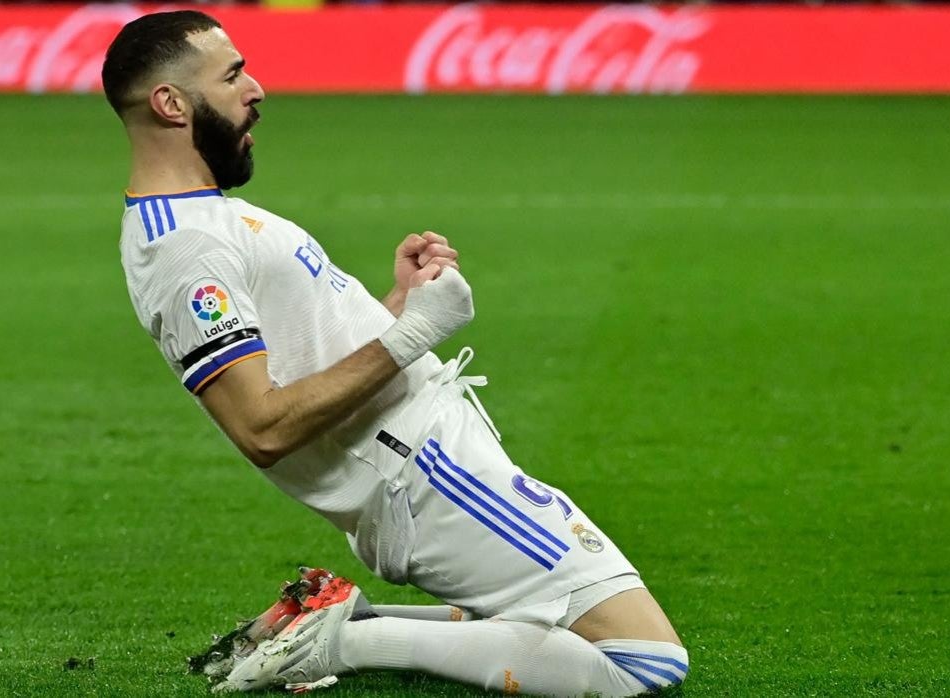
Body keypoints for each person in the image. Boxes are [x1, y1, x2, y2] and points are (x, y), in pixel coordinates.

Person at [102, 10, 688, 696]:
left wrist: (396, 307)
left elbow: (305, 357)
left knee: (545, 617)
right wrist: (413, 334)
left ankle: (340, 619)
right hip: (426, 477)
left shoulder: (202, 216)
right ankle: (344, 642)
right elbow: (261, 427)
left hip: (422, 463)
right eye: (232, 75)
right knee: (644, 661)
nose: (256, 88)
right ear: (172, 104)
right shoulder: (187, 249)